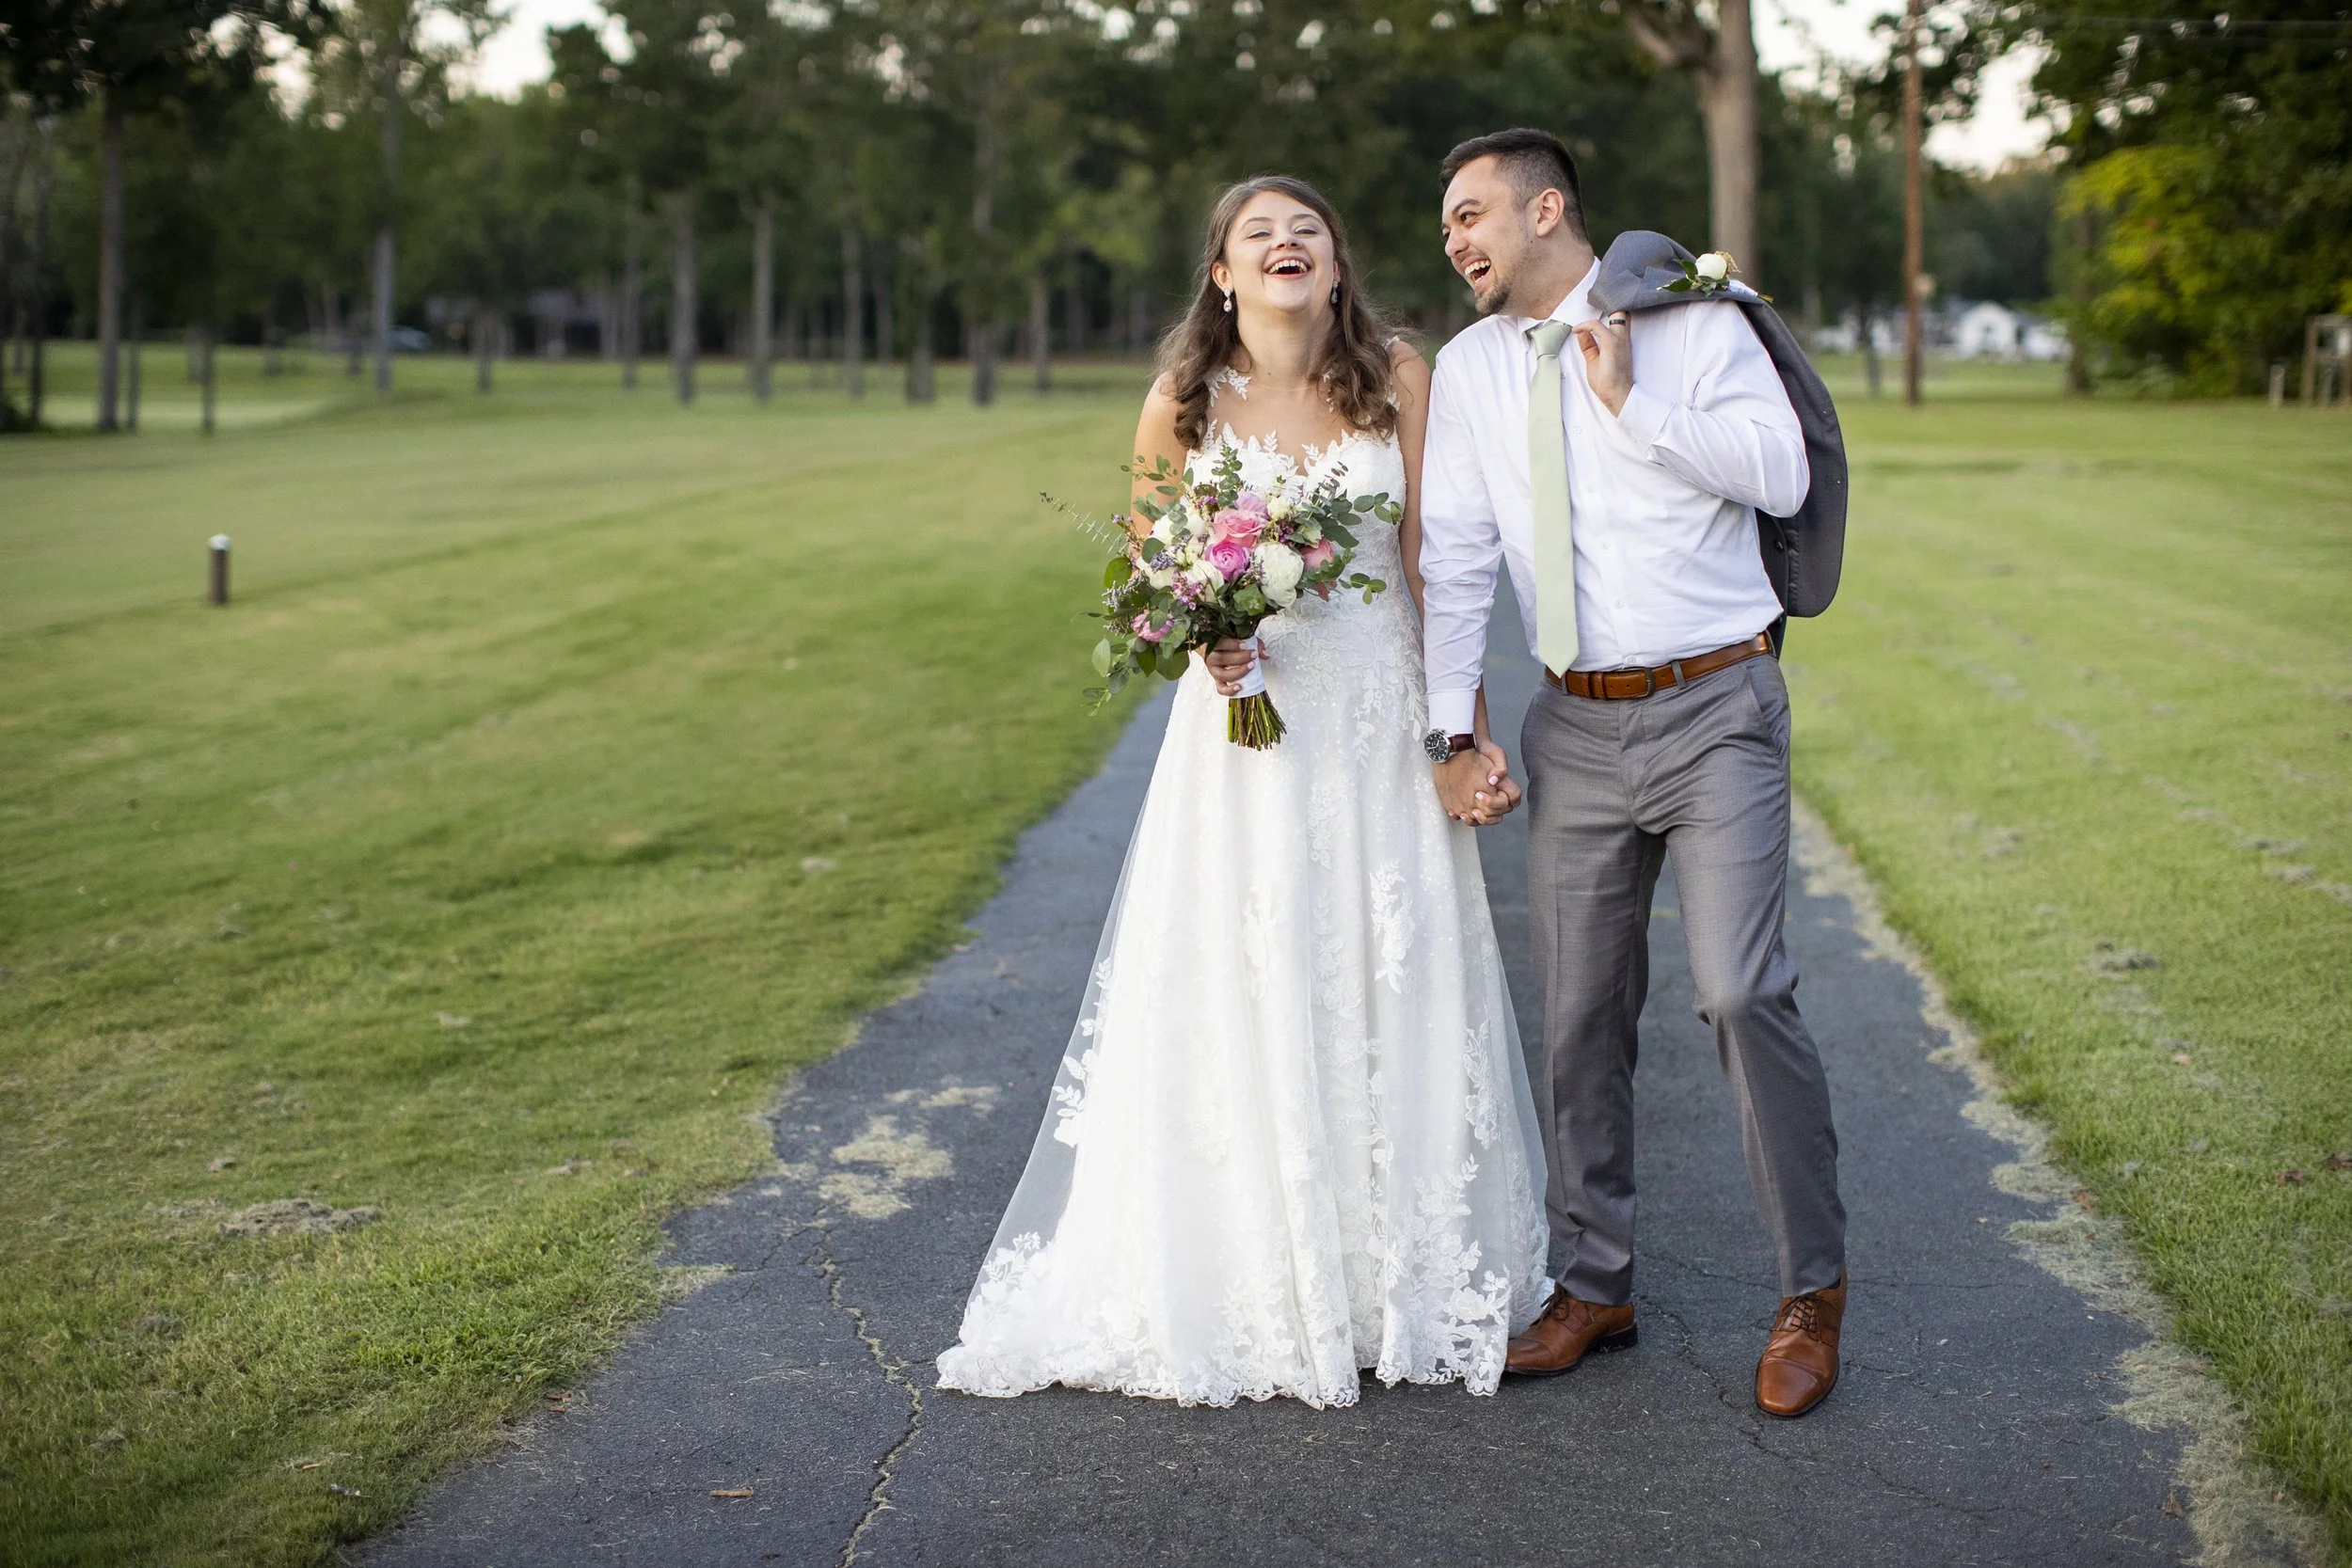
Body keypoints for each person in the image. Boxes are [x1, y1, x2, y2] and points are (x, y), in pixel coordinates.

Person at [935, 176, 1549, 1408]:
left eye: (1306, 230)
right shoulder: (1181, 402)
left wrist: (1462, 735)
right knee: (1248, 971)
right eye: (1256, 233)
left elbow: (1444, 566)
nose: (1284, 244)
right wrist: (1201, 632)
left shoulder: (1399, 378)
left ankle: (1393, 1278)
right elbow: (1152, 574)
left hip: (1378, 728)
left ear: (1337, 264)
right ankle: (1255, 1270)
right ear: (1221, 271)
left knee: (1385, 969)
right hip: (1242, 746)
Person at [1419, 128, 1851, 1418]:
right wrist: (1455, 732)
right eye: (1446, 224)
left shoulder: (1691, 322)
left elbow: (1781, 470)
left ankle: (1811, 1292)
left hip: (1716, 704)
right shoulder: (1467, 368)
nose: (1455, 241)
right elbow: (1454, 561)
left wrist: (1632, 402)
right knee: (1577, 1018)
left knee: (1737, 991)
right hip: (1576, 726)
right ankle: (1594, 1283)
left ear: (1547, 209)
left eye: (1472, 213)